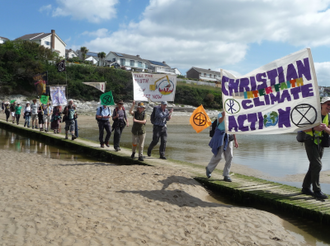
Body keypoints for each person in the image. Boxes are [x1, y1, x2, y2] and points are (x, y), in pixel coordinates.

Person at [301, 97, 330, 200]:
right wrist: (314, 128)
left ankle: (305, 188)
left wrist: (326, 128)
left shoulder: (328, 117)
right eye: (327, 104)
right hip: (310, 141)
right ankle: (317, 191)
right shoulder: (313, 114)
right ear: (321, 105)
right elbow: (302, 128)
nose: (329, 107)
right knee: (317, 165)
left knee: (314, 165)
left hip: (321, 142)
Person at [205, 111, 239, 182]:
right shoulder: (220, 114)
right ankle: (209, 169)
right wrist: (223, 116)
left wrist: (235, 140)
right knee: (218, 156)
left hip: (229, 137)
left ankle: (226, 175)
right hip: (220, 137)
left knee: (230, 156)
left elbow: (233, 128)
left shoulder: (232, 115)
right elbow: (220, 121)